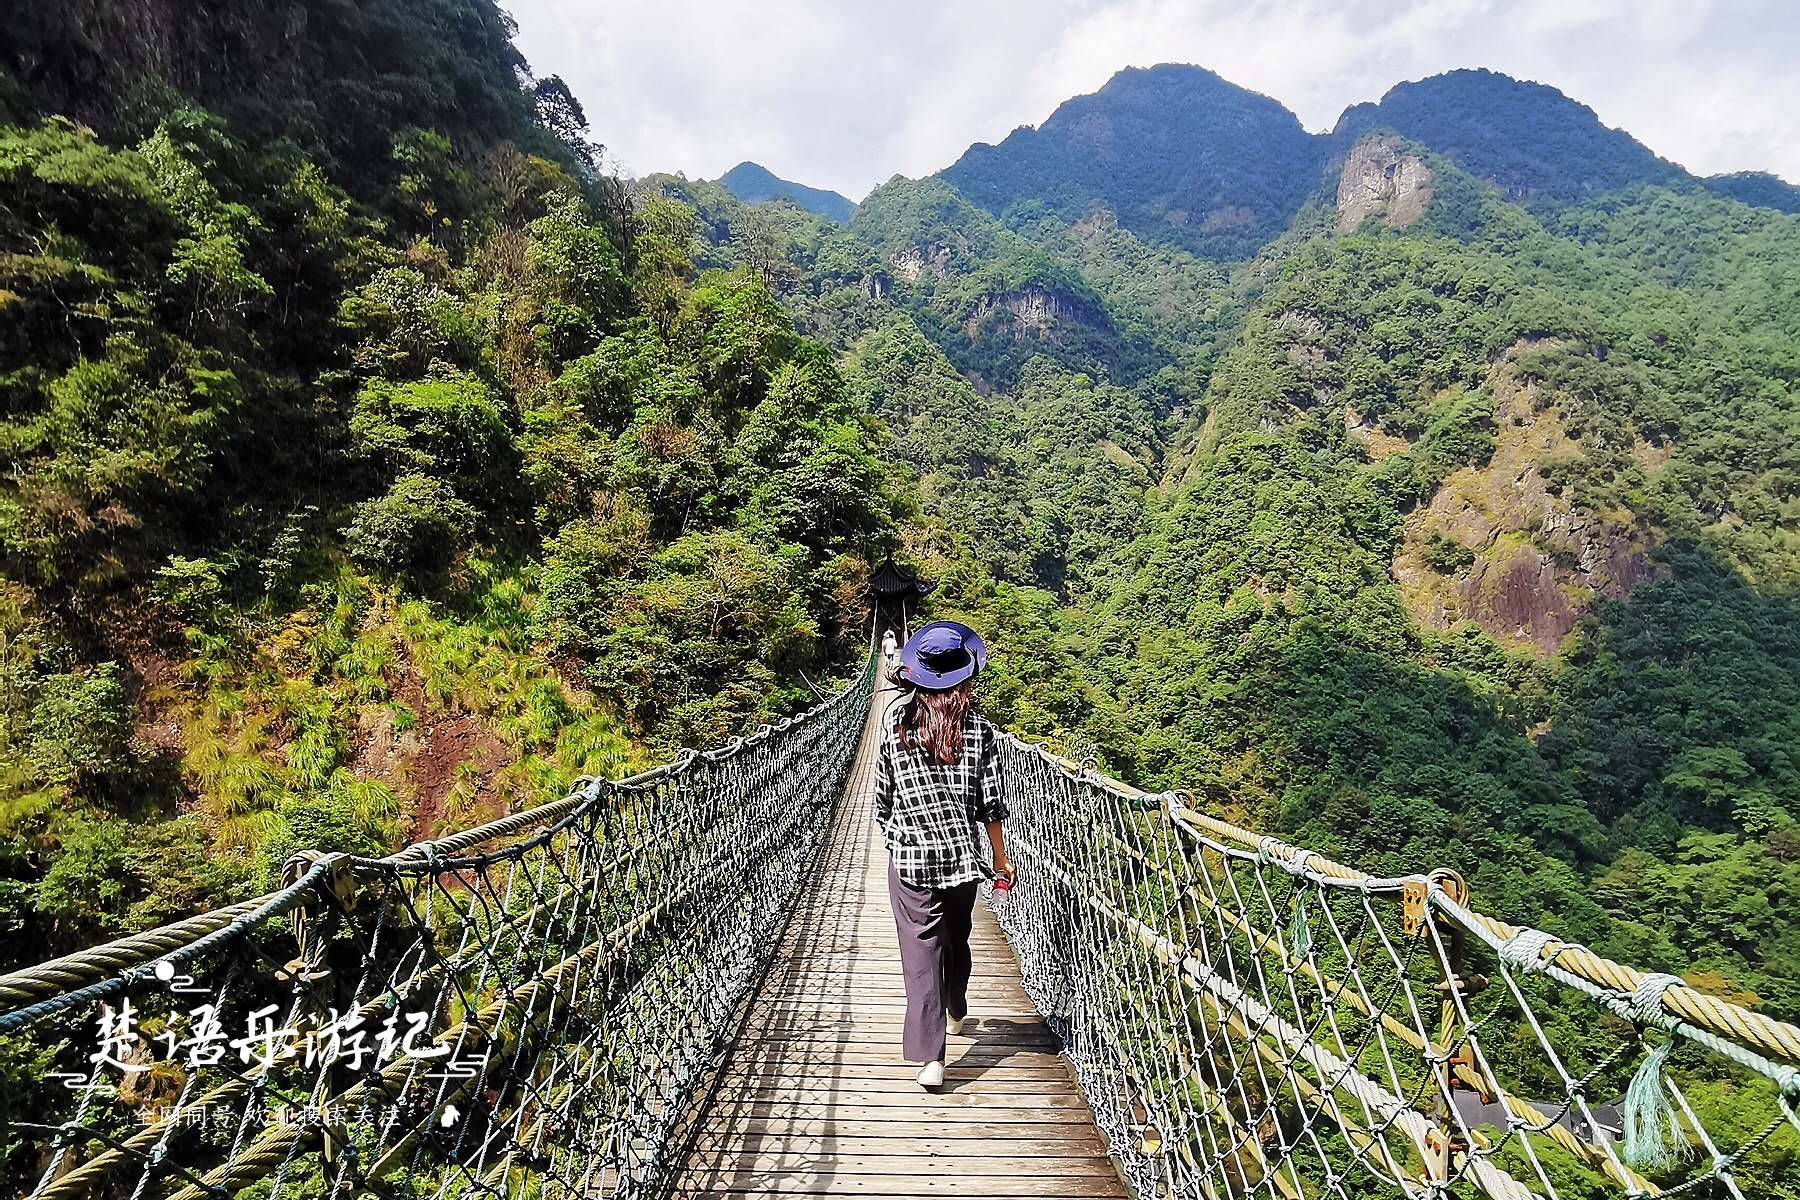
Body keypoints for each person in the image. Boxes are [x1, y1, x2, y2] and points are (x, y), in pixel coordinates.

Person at [873, 620, 1015, 1091]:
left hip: (911, 857)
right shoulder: (982, 732)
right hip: (962, 858)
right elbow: (991, 803)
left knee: (921, 951)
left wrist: (901, 834)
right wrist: (1000, 859)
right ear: (965, 675)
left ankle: (930, 1057)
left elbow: (882, 800)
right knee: (957, 939)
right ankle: (956, 1003)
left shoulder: (895, 725)